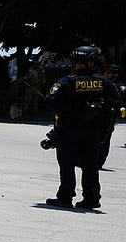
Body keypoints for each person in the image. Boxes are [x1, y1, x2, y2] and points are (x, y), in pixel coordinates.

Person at [43, 46, 120, 210]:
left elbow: (50, 101)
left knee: (67, 164)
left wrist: (69, 107)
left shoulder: (67, 81)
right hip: (94, 131)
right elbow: (116, 102)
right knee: (90, 165)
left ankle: (65, 197)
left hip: (69, 130)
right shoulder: (103, 82)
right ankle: (91, 199)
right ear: (91, 62)